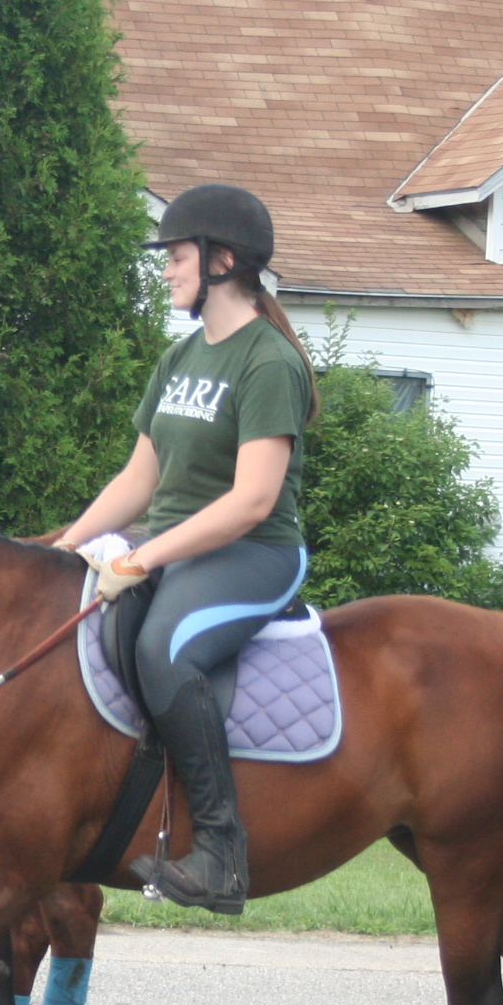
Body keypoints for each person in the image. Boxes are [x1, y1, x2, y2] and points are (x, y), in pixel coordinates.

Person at [53, 183, 317, 913]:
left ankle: (222, 854)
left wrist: (142, 557)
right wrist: (65, 546)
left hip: (254, 553)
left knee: (164, 649)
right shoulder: (180, 357)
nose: (166, 271)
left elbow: (252, 501)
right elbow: (140, 478)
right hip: (176, 543)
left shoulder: (268, 362)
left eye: (176, 257)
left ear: (222, 260)